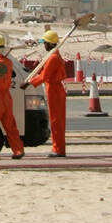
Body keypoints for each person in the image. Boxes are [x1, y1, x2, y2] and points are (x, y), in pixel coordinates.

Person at [21, 28, 66, 157]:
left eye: (45, 42)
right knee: (56, 121)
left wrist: (29, 83)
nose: (44, 45)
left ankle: (58, 150)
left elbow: (44, 76)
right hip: (53, 89)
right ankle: (58, 148)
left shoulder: (53, 57)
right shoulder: (53, 55)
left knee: (56, 121)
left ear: (50, 43)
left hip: (55, 90)